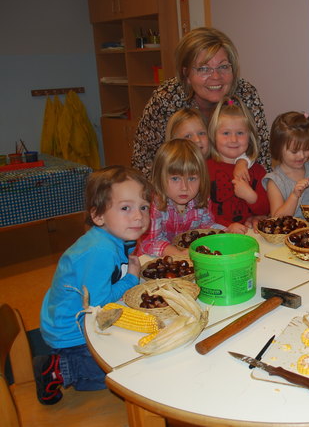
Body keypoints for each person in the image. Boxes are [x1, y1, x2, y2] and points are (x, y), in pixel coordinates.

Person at [36, 166, 153, 404]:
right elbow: (97, 303)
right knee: (118, 378)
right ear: (98, 216)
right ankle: (60, 367)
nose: (138, 216)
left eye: (143, 207)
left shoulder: (115, 235)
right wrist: (131, 279)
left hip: (68, 310)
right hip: (72, 331)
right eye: (125, 208)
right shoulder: (100, 250)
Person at [132, 27, 271, 179]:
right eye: (204, 68)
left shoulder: (245, 94)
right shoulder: (166, 99)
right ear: (186, 74)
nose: (216, 76)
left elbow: (261, 155)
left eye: (223, 66)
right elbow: (144, 162)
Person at [138, 138, 225, 257]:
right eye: (175, 178)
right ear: (160, 178)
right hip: (154, 258)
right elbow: (150, 242)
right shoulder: (154, 205)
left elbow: (206, 227)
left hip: (188, 257)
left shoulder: (201, 198)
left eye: (192, 178)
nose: (185, 187)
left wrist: (225, 232)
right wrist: (177, 253)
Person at [207, 96, 270, 233]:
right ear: (213, 135)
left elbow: (267, 209)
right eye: (226, 133)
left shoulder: (258, 171)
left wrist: (251, 197)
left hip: (251, 236)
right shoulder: (206, 169)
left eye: (240, 133)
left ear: (250, 136)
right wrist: (226, 226)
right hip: (217, 235)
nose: (234, 139)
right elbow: (202, 212)